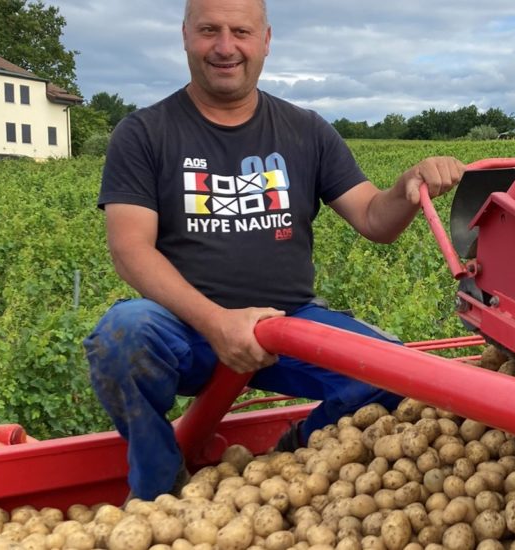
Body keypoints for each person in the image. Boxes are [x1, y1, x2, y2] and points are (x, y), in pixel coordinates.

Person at [83, 0, 465, 501]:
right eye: (208, 31)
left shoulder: (305, 130)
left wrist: (406, 187)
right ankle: (158, 486)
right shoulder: (145, 133)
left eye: (241, 31)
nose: (225, 47)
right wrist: (218, 322)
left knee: (394, 371)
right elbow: (130, 250)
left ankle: (298, 450)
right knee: (121, 335)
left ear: (265, 40)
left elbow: (375, 219)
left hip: (290, 325)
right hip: (187, 329)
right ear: (184, 36)